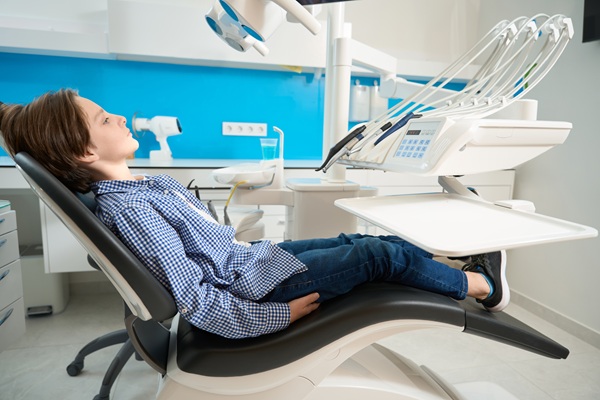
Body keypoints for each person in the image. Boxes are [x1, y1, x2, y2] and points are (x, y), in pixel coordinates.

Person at [0, 89, 510, 339]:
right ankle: (485, 288)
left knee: (359, 242)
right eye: (102, 118)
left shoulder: (141, 184)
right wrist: (275, 316)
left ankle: (457, 273)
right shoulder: (132, 209)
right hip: (257, 291)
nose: (117, 115)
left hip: (252, 264)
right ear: (85, 152)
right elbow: (197, 301)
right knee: (376, 256)